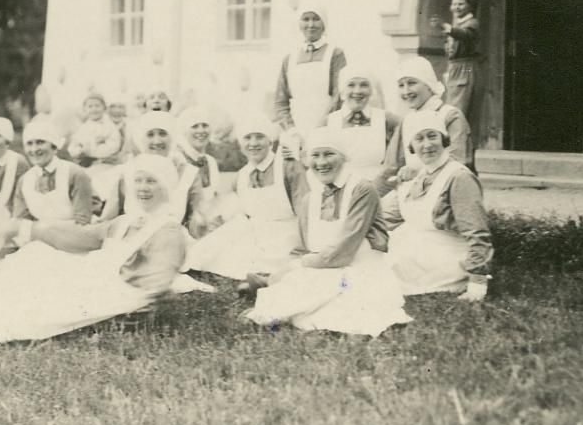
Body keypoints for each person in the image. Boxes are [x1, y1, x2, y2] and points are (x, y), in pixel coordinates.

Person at [0, 154, 188, 342]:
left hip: (122, 293)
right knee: (37, 253)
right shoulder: (127, 221)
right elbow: (84, 236)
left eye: (151, 181)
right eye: (138, 180)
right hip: (102, 281)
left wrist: (107, 282)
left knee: (42, 299)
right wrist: (29, 229)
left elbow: (157, 278)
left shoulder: (168, 229)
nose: (143, 188)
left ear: (166, 186)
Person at [243, 127, 411, 336]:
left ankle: (273, 299)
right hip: (323, 266)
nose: (321, 163)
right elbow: (302, 247)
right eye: (315, 155)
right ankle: (274, 294)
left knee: (334, 297)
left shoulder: (362, 190)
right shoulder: (310, 199)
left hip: (359, 266)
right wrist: (289, 269)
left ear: (344, 157)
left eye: (329, 154)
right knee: (300, 284)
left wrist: (298, 266)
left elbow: (344, 251)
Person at [382, 111, 493, 302]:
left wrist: (477, 283)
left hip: (444, 257)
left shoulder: (459, 177)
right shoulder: (419, 176)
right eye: (419, 139)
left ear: (444, 140)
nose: (427, 144)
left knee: (381, 269)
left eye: (432, 136)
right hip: (415, 250)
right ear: (411, 147)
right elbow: (389, 218)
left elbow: (477, 232)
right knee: (368, 256)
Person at [184, 113, 304, 282]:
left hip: (286, 233)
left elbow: (305, 210)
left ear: (270, 141)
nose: (253, 143)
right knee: (211, 249)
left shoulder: (287, 166)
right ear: (241, 144)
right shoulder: (242, 175)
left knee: (271, 261)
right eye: (247, 138)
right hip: (256, 233)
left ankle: (265, 276)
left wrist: (303, 246)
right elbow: (237, 211)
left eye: (259, 137)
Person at [98, 111, 216, 238]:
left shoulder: (188, 173)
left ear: (172, 137)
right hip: (131, 240)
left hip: (171, 239)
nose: (157, 140)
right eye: (150, 135)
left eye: (162, 134)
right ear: (141, 139)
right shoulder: (128, 171)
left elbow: (197, 218)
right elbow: (109, 218)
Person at [379, 56, 473, 195]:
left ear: (429, 85)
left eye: (412, 83)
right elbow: (391, 168)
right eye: (401, 85)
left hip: (447, 192)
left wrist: (420, 172)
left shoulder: (450, 115)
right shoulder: (407, 120)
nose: (406, 91)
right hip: (413, 193)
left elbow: (458, 163)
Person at [273, 1, 348, 158]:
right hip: (294, 133)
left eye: (316, 19)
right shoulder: (290, 58)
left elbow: (339, 96)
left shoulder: (335, 54)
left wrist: (320, 129)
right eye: (306, 19)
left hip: (326, 130)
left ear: (324, 23)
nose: (311, 25)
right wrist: (293, 131)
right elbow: (280, 102)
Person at [13, 116, 94, 228]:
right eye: (29, 144)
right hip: (38, 237)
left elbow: (83, 222)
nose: (34, 149)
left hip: (75, 235)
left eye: (40, 142)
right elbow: (20, 223)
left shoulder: (74, 174)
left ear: (54, 147)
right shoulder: (24, 181)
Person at [325, 67, 401, 181]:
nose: (357, 91)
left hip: (378, 185)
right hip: (341, 186)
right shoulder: (328, 122)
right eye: (351, 85)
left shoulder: (387, 119)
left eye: (364, 85)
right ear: (342, 92)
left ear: (371, 91)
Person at [439, 0, 481, 127]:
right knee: (451, 109)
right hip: (455, 68)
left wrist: (450, 30)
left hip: (464, 69)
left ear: (470, 6)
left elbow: (465, 35)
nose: (456, 7)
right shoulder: (458, 24)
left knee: (458, 110)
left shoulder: (472, 23)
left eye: (461, 4)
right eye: (454, 4)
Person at [175, 105, 221, 214]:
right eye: (194, 126)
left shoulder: (210, 162)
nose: (201, 131)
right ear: (184, 131)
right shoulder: (178, 160)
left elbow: (215, 199)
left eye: (205, 125)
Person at [66, 91, 123, 166]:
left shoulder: (109, 126)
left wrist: (92, 151)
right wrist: (77, 151)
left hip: (106, 160)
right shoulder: (84, 127)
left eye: (97, 106)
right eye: (90, 106)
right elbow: (75, 143)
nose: (94, 109)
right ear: (85, 109)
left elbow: (114, 145)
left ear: (104, 108)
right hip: (85, 160)